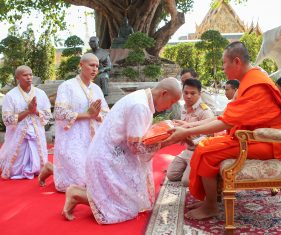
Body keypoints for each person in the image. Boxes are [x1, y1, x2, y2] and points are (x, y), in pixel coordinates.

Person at [163, 41, 281, 220]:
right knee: (204, 146)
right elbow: (226, 116)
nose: (223, 68)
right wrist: (188, 126)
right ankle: (209, 200)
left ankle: (211, 206)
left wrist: (185, 132)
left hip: (268, 142)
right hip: (250, 137)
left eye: (225, 63)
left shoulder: (257, 85)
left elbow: (225, 121)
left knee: (206, 152)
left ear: (237, 62)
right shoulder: (249, 80)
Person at [61, 77, 181, 223]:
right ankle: (77, 195)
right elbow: (136, 148)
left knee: (133, 202)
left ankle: (78, 193)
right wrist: (169, 140)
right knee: (123, 210)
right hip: (109, 157)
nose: (169, 107)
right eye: (172, 102)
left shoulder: (143, 98)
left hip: (113, 153)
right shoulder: (140, 106)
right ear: (164, 93)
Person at [38, 53, 109, 191]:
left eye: (97, 66)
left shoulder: (97, 89)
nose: (95, 69)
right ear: (81, 65)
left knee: (92, 181)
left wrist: (98, 115)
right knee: (80, 183)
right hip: (72, 136)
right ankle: (51, 168)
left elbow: (105, 111)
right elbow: (59, 113)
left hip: (92, 136)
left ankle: (50, 168)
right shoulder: (67, 86)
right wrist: (87, 114)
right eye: (91, 65)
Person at [0, 65, 51, 179]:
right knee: (14, 169)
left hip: (36, 132)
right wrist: (28, 111)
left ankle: (37, 169)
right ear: (17, 77)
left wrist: (35, 111)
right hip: (18, 135)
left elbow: (48, 114)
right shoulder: (10, 95)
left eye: (30, 74)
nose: (29, 77)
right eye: (25, 75)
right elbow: (7, 119)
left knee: (39, 162)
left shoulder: (40, 93)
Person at [167, 79, 214, 186]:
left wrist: (193, 142)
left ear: (199, 94)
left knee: (186, 182)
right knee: (171, 175)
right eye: (186, 93)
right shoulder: (183, 108)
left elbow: (209, 137)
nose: (188, 96)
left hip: (199, 152)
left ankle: (199, 171)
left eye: (193, 93)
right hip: (187, 151)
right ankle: (192, 170)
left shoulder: (205, 111)